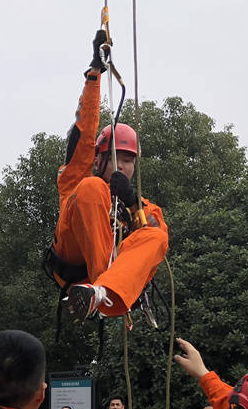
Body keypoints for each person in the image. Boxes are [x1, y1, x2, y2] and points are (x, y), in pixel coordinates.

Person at [47, 29, 169, 319]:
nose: (122, 166)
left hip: (100, 287)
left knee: (157, 236)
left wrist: (132, 203)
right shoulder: (77, 181)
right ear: (99, 160)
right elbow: (84, 131)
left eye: (128, 161)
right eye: (115, 158)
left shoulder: (143, 207)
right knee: (93, 188)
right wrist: (95, 72)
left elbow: (154, 237)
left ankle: (103, 292)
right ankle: (103, 288)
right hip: (74, 255)